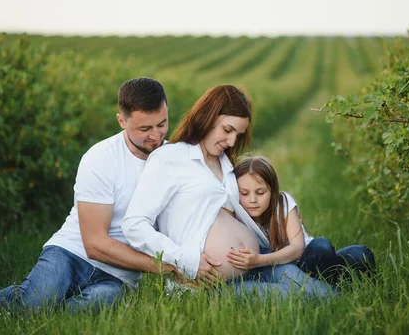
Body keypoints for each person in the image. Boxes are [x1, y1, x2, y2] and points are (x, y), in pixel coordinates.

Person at [0, 77, 180, 315]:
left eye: (162, 124)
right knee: (37, 302)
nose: (156, 136)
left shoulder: (173, 162)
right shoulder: (101, 158)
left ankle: (50, 308)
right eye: (145, 129)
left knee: (80, 311)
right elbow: (94, 244)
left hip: (119, 275)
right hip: (71, 253)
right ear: (121, 121)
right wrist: (162, 267)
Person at [123, 85, 334, 298]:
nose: (232, 141)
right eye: (227, 130)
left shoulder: (226, 165)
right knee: (295, 297)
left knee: (321, 292)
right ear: (208, 117)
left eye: (238, 134)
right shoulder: (170, 158)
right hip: (208, 285)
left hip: (255, 264)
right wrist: (187, 261)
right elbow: (134, 225)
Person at [227, 156, 375, 285]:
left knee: (360, 253)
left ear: (272, 191)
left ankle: (337, 285)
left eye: (260, 192)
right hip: (290, 272)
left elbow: (297, 249)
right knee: (334, 254)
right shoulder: (237, 216)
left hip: (307, 260)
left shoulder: (282, 203)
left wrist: (259, 260)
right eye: (244, 193)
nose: (252, 200)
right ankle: (338, 286)